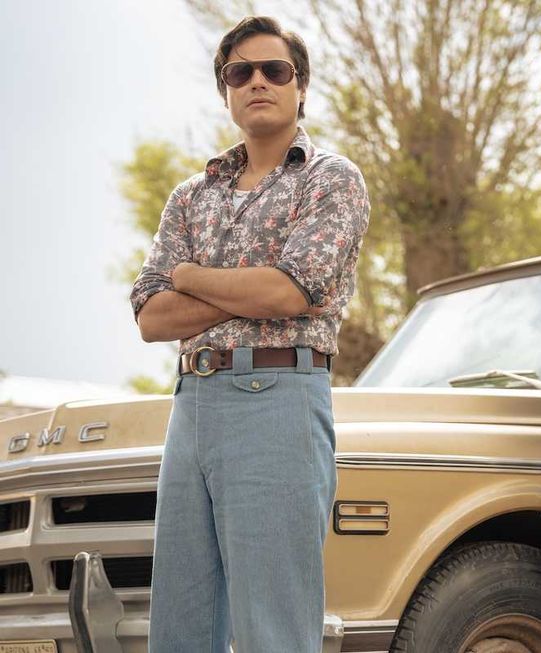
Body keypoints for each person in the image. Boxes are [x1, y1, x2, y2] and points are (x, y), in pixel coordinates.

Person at [130, 16, 369, 653]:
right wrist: (241, 286)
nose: (257, 81)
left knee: (274, 629)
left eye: (274, 70)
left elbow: (294, 288)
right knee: (179, 629)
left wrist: (188, 275)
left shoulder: (331, 179)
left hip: (280, 398)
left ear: (300, 87)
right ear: (226, 91)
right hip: (191, 408)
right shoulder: (190, 196)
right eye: (241, 72)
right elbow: (151, 316)